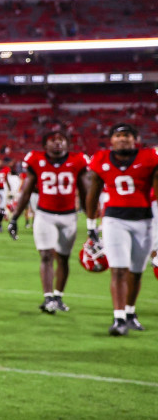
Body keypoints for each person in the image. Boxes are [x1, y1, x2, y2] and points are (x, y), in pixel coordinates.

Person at [84, 123, 158, 336]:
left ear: (135, 139)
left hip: (145, 220)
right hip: (114, 220)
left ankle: (130, 313)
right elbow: (93, 193)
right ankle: (118, 318)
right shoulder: (101, 159)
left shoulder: (150, 158)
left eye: (127, 135)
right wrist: (91, 226)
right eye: (118, 135)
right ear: (111, 140)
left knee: (136, 271)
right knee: (118, 269)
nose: (123, 139)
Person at [7, 131, 88, 313]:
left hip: (69, 216)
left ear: (67, 144)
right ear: (45, 145)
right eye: (53, 140)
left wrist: (92, 222)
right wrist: (14, 217)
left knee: (64, 258)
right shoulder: (36, 160)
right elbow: (26, 192)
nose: (57, 143)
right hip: (45, 215)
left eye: (61, 140)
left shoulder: (78, 161)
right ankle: (48, 297)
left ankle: (58, 296)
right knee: (46, 255)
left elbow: (84, 192)